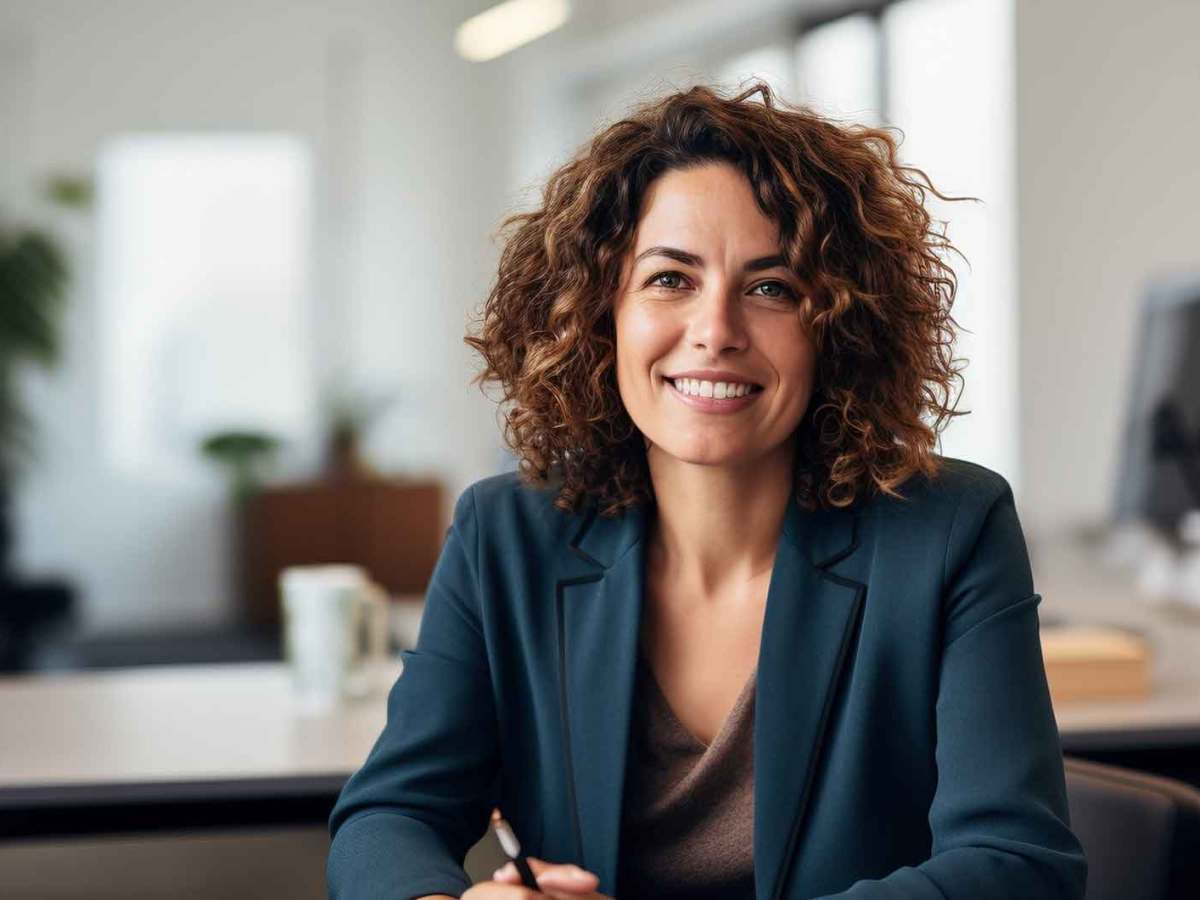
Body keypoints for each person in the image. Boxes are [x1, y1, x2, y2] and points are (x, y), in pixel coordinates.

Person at [327, 82, 1087, 900]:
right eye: (669, 279)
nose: (716, 330)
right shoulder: (504, 535)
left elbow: (1016, 866)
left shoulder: (948, 531)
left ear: (839, 326)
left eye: (772, 288)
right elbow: (389, 817)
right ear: (599, 312)